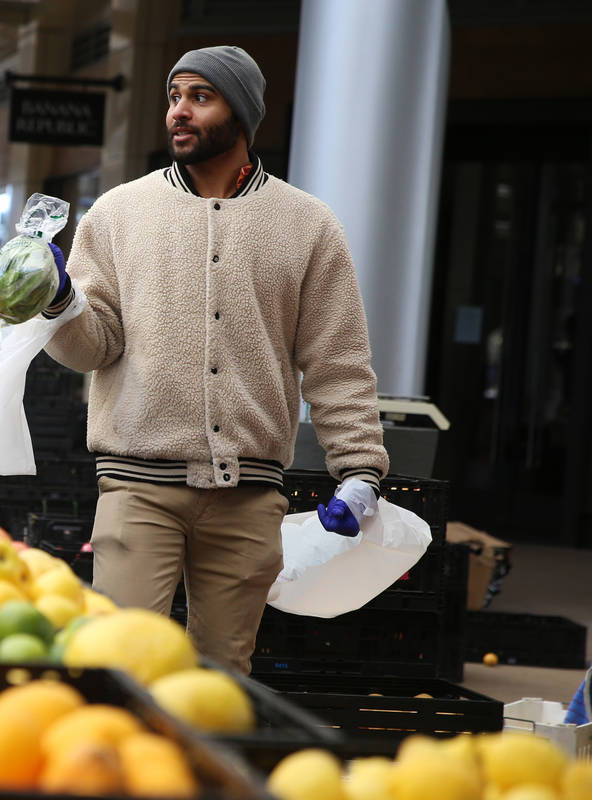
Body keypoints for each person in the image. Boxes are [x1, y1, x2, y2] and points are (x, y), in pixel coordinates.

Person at [41, 45, 389, 674]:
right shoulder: (118, 214)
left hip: (250, 496)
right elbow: (93, 347)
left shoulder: (308, 224)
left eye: (200, 97)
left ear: (243, 114)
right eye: (174, 97)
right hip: (137, 485)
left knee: (225, 679)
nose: (179, 111)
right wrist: (59, 302)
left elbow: (337, 360)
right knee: (121, 670)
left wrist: (360, 471)